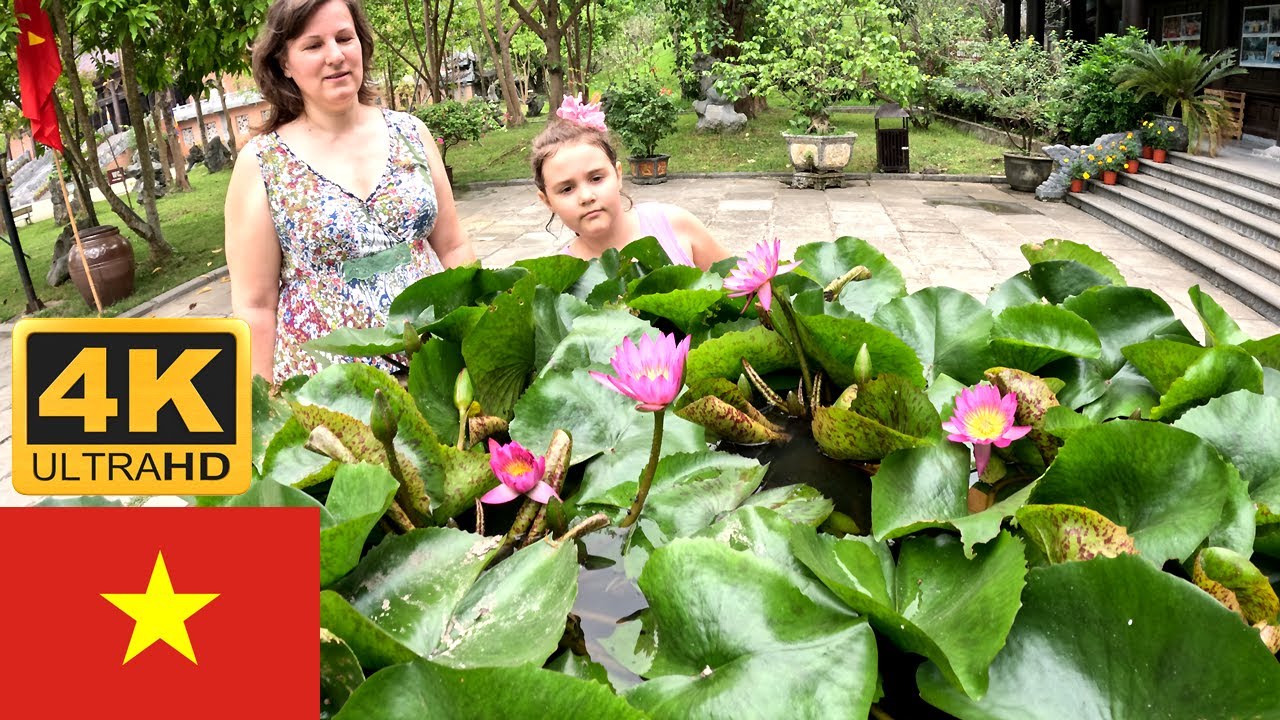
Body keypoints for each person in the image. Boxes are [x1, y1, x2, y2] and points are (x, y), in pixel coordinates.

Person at [224, 0, 475, 384]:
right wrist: (264, 408)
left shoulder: (411, 134)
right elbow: (255, 306)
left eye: (345, 38)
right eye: (313, 45)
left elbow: (454, 246)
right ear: (284, 63)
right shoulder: (262, 163)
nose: (336, 55)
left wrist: (482, 332)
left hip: (438, 369)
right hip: (333, 396)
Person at [532, 96, 730, 270]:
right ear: (547, 200)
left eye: (596, 179)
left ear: (618, 175)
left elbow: (743, 291)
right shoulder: (560, 280)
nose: (586, 197)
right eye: (567, 189)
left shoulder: (674, 224)